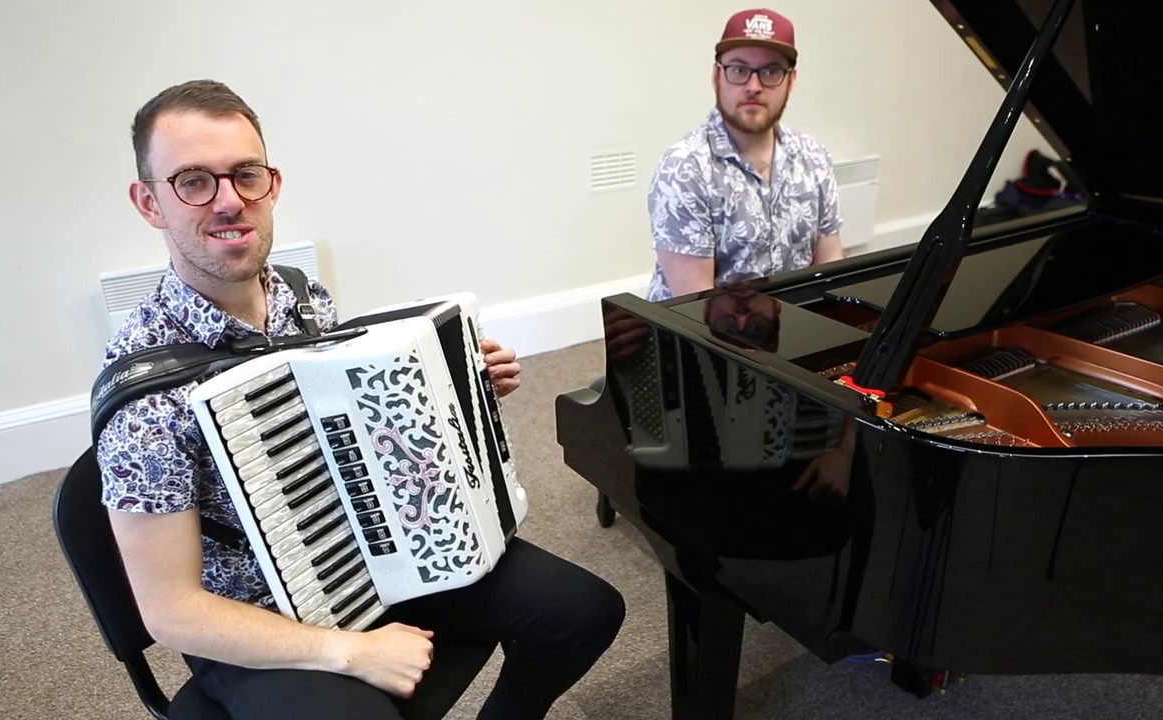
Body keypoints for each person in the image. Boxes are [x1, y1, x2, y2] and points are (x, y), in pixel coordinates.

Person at [96, 79, 625, 720]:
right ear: (149, 202)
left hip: (377, 558)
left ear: (273, 185)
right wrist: (348, 652)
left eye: (246, 175)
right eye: (194, 182)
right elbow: (172, 611)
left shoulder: (302, 299)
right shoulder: (142, 399)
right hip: (254, 622)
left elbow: (360, 437)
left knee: (585, 612)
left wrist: (459, 391)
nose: (229, 201)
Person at [647, 7, 846, 302]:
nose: (754, 87)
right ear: (717, 77)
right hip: (705, 327)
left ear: (791, 80)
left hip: (793, 323)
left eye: (771, 72)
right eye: (739, 70)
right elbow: (695, 310)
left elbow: (830, 272)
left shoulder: (814, 158)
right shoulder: (684, 169)